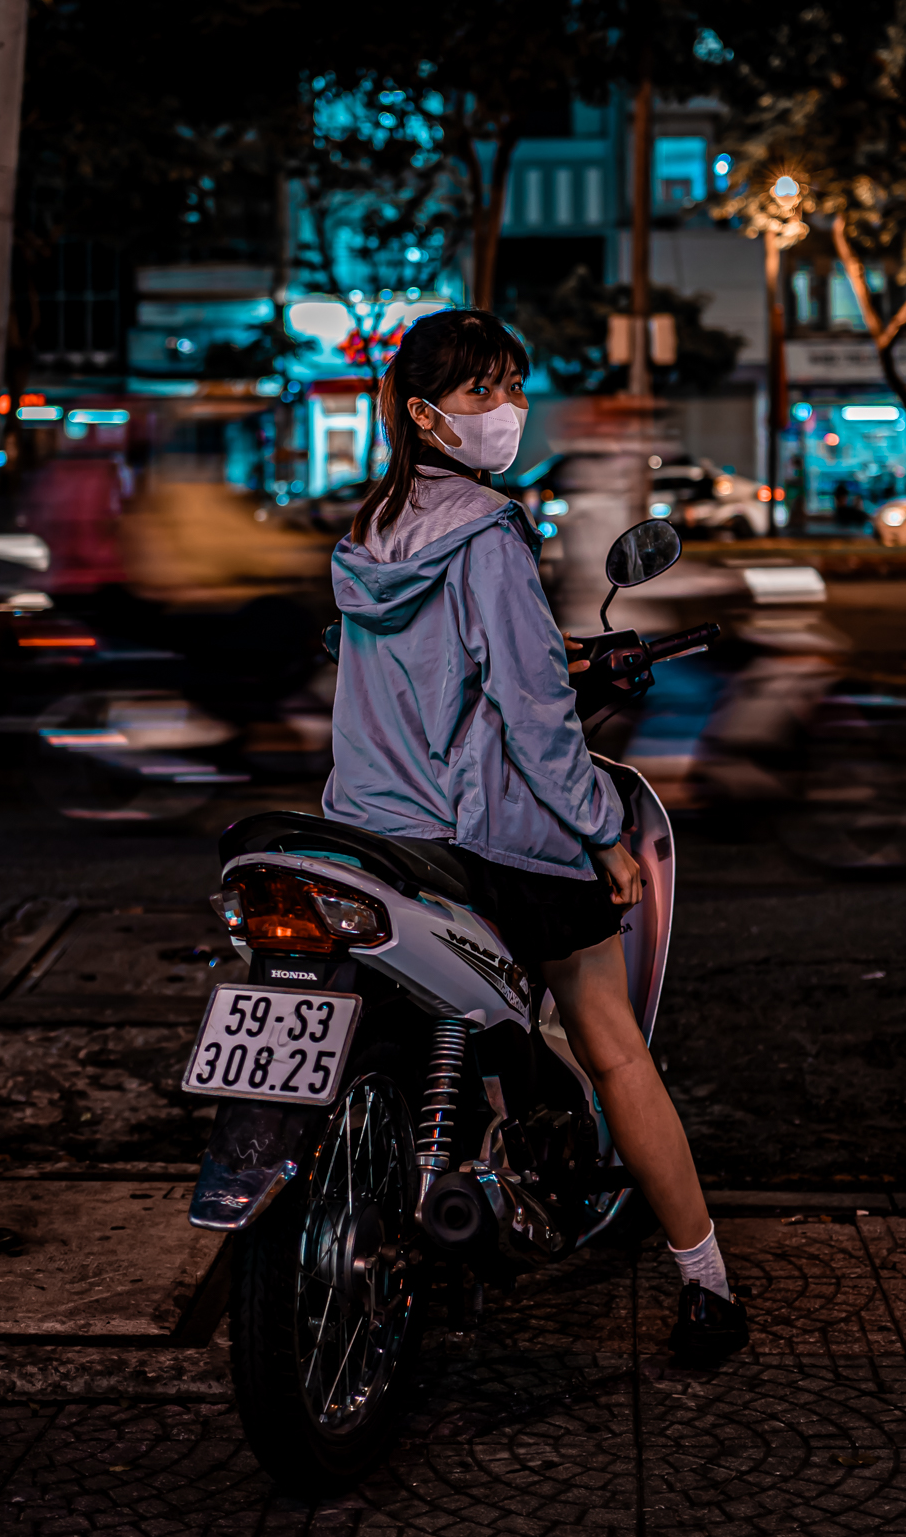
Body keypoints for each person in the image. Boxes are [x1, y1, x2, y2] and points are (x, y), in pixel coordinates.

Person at [324, 308, 747, 1362]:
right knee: (609, 1038)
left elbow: (442, 663)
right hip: (484, 834)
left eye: (513, 385)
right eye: (481, 393)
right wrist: (605, 832)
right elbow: (533, 716)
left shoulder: (370, 532)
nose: (506, 409)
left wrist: (545, 649)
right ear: (426, 413)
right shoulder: (489, 530)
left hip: (368, 827)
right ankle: (706, 1278)